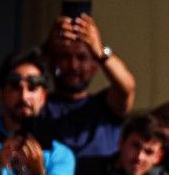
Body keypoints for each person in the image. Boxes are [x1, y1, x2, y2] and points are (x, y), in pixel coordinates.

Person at [43, 13, 135, 158]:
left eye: (82, 57)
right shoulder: (39, 106)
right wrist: (47, 48)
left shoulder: (107, 107)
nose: (73, 66)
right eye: (65, 57)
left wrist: (100, 51)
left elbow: (127, 87)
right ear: (53, 62)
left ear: (95, 66)